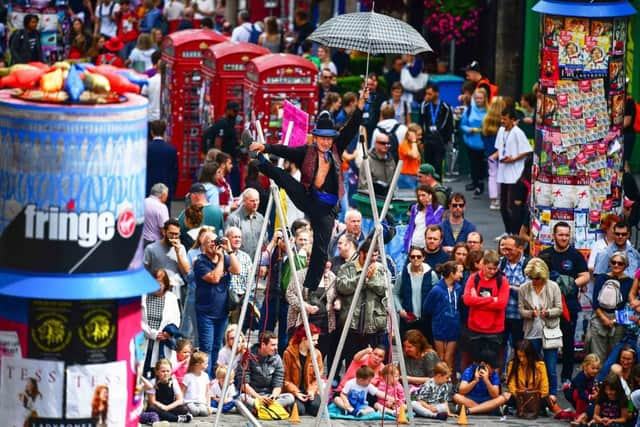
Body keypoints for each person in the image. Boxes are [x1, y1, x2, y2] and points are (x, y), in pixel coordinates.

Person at [249, 95, 364, 291]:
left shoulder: (337, 149)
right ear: (316, 137)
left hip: (326, 209)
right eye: (323, 138)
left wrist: (360, 106)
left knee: (321, 249)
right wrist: (265, 147)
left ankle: (310, 287)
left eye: (329, 138)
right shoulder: (307, 151)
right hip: (308, 198)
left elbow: (351, 128)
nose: (326, 142)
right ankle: (261, 162)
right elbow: (285, 151)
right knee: (284, 179)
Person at [540, 221, 590, 385]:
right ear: (553, 236)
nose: (564, 238)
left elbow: (585, 276)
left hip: (569, 305)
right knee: (546, 342)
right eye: (560, 234)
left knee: (568, 343)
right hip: (546, 306)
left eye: (567, 235)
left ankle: (566, 377)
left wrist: (569, 283)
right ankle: (546, 377)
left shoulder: (575, 255)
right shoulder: (545, 254)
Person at [193, 231, 240, 376]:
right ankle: (204, 379)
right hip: (205, 313)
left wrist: (229, 250)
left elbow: (237, 270)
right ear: (203, 245)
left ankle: (213, 377)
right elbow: (214, 278)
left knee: (216, 346)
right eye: (210, 242)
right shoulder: (200, 262)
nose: (214, 244)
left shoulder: (224, 258)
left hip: (222, 312)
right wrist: (220, 258)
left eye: (216, 241)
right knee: (206, 348)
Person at [518, 257, 563, 409]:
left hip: (549, 330)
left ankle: (552, 397)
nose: (534, 281)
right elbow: (520, 309)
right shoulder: (524, 288)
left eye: (537, 278)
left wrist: (547, 312)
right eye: (531, 278)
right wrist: (530, 313)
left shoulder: (553, 287)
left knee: (550, 367)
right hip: (531, 331)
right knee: (531, 366)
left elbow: (559, 309)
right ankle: (532, 395)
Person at [336, 238, 387, 363]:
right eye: (370, 257)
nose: (373, 260)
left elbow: (385, 290)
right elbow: (342, 287)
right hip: (352, 322)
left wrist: (371, 279)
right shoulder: (347, 268)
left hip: (373, 324)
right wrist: (362, 278)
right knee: (352, 359)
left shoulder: (381, 269)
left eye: (375, 257)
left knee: (371, 361)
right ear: (362, 254)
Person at [286, 263, 338, 372]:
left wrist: (337, 302)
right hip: (304, 322)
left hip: (324, 324)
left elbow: (336, 295)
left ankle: (315, 378)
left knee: (320, 353)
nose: (326, 270)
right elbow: (290, 294)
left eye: (328, 268)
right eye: (324, 267)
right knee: (301, 352)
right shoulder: (301, 275)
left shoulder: (331, 277)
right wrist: (305, 306)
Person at [489, 107, 533, 235]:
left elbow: (527, 150)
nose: (502, 121)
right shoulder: (501, 131)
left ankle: (514, 232)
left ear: (512, 120)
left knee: (512, 206)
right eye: (501, 118)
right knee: (503, 205)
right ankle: (507, 231)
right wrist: (493, 157)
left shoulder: (518, 132)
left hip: (515, 175)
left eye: (505, 119)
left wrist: (513, 159)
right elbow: (499, 148)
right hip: (503, 173)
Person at [463, 250, 510, 358]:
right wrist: (491, 299)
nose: (492, 271)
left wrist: (477, 300)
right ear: (483, 265)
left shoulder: (502, 280)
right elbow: (467, 300)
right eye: (489, 268)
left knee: (493, 364)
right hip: (475, 327)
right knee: (476, 361)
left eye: (495, 268)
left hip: (495, 329)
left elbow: (501, 304)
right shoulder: (473, 278)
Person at [589, 252, 634, 361]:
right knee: (598, 355)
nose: (616, 265)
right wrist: (604, 319)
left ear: (625, 265)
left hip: (619, 319)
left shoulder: (629, 282)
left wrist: (614, 320)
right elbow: (595, 302)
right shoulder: (601, 278)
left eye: (620, 263)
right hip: (600, 316)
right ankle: (598, 378)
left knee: (615, 355)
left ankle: (611, 378)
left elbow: (628, 304)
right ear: (610, 263)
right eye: (614, 262)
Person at [423, 261, 463, 379]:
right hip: (440, 326)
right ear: (451, 273)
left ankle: (449, 383)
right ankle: (440, 381)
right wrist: (438, 314)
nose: (461, 274)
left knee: (449, 357)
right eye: (459, 272)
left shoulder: (459, 289)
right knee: (441, 357)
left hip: (454, 326)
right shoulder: (437, 290)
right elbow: (427, 307)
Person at [238, 331, 296, 408]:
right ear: (263, 345)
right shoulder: (247, 357)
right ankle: (268, 408)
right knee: (242, 398)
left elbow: (278, 385)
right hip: (253, 396)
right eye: (273, 345)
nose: (276, 348)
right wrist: (259, 398)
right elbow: (244, 385)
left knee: (290, 397)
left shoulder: (277, 359)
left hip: (269, 396)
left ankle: (263, 408)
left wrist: (273, 397)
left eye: (276, 345)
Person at [142, 269, 182, 378]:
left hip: (163, 342)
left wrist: (168, 333)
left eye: (159, 284)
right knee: (144, 372)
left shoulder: (171, 298)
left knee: (162, 373)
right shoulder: (142, 296)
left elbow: (176, 318)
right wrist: (152, 334)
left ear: (165, 284)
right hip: (145, 340)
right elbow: (138, 320)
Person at [394, 246, 438, 338]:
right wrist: (400, 309)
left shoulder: (431, 275)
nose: (416, 259)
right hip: (408, 319)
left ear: (423, 258)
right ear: (409, 258)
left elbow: (436, 295)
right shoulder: (402, 275)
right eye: (413, 256)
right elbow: (395, 293)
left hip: (426, 320)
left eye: (418, 256)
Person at [453, 348, 510, 415]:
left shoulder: (494, 374)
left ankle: (470, 410)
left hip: (487, 400)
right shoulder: (470, 370)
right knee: (456, 397)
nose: (493, 369)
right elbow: (461, 390)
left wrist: (486, 380)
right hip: (471, 399)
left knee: (502, 398)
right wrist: (475, 381)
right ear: (483, 364)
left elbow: (495, 395)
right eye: (491, 367)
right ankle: (488, 410)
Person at [144, 219, 191, 300]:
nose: (173, 237)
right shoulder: (151, 248)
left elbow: (186, 271)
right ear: (164, 232)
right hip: (158, 291)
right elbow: (144, 270)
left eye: (176, 234)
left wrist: (178, 253)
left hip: (175, 292)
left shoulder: (181, 248)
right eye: (171, 233)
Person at [282, 323, 323, 416]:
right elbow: (286, 379)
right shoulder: (288, 353)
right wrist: (296, 392)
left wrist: (312, 390)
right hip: (294, 390)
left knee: (316, 408)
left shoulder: (317, 354)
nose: (316, 343)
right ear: (304, 339)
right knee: (299, 410)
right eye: (313, 340)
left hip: (309, 389)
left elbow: (318, 377)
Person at [500, 235, 530, 358]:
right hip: (502, 316)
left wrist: (508, 288)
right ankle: (501, 375)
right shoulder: (501, 263)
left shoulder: (527, 265)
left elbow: (528, 292)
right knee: (500, 349)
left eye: (510, 249)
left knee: (520, 350)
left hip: (520, 317)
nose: (506, 253)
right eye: (504, 249)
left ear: (520, 249)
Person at [203, 101, 242, 193]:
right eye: (234, 111)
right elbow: (218, 143)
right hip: (226, 159)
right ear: (228, 110)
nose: (236, 114)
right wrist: (222, 160)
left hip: (231, 159)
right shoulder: (222, 124)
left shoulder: (229, 123)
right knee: (230, 185)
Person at [506, 340, 551, 414]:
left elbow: (544, 388)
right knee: (506, 396)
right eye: (519, 356)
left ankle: (536, 408)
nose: (521, 359)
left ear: (530, 355)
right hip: (519, 397)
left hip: (535, 397)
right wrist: (521, 395)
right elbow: (511, 386)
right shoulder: (512, 364)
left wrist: (531, 395)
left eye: (524, 356)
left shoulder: (540, 365)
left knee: (551, 398)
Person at [419, 84, 454, 178]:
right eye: (426, 94)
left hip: (440, 142)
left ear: (436, 93)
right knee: (427, 166)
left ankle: (438, 187)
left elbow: (449, 126)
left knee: (438, 167)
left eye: (430, 94)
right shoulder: (424, 106)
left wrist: (445, 141)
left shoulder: (446, 107)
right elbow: (421, 123)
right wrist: (422, 140)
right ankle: (427, 187)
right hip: (428, 141)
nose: (427, 96)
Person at [144, 359, 192, 423]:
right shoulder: (153, 382)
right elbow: (152, 401)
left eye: (168, 371)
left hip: (169, 407)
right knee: (151, 408)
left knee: (184, 408)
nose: (166, 373)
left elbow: (180, 400)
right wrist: (163, 407)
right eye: (163, 371)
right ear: (157, 372)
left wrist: (167, 407)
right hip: (159, 407)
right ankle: (177, 418)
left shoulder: (173, 381)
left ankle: (165, 417)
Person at [461, 88, 489, 197]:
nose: (478, 100)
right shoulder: (468, 110)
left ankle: (480, 184)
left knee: (481, 164)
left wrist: (486, 130)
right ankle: (475, 182)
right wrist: (470, 129)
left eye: (480, 98)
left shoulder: (489, 110)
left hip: (484, 143)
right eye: (476, 98)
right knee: (473, 163)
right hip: (471, 141)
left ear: (485, 98)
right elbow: (463, 125)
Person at [482, 96, 507, 210]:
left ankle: (494, 200)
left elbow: (483, 136)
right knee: (501, 175)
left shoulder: (486, 121)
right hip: (501, 153)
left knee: (492, 175)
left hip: (489, 152)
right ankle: (501, 198)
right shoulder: (504, 124)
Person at [146, 120, 178, 210]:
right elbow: (175, 173)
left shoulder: (146, 149)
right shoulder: (171, 150)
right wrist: (172, 191)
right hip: (165, 189)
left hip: (149, 189)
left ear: (151, 132)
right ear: (164, 132)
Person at [404, 186, 445, 252]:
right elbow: (410, 227)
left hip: (427, 246)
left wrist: (429, 206)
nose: (421, 198)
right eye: (419, 196)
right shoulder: (415, 208)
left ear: (430, 195)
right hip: (414, 244)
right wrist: (406, 243)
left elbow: (431, 225)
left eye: (423, 195)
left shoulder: (439, 209)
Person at [225, 188, 264, 257]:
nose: (255, 203)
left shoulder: (260, 218)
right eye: (252, 201)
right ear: (244, 201)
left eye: (257, 200)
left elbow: (264, 241)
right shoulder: (234, 219)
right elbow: (228, 243)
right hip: (239, 261)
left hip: (258, 261)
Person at [564, 353, 600, 422]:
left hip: (583, 393)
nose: (595, 371)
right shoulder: (580, 378)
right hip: (572, 394)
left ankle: (585, 413)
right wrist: (591, 396)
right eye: (593, 368)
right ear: (585, 366)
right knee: (582, 394)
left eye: (597, 368)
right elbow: (581, 393)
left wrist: (595, 390)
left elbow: (591, 386)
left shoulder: (591, 375)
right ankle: (576, 414)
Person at [182, 351, 212, 417]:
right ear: (197, 364)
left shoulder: (205, 376)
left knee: (204, 412)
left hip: (201, 402)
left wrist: (208, 405)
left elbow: (207, 391)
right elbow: (183, 391)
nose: (207, 365)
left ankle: (212, 409)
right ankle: (185, 409)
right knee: (195, 411)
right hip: (189, 401)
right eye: (205, 363)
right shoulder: (188, 376)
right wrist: (182, 403)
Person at [397, 123, 422, 189]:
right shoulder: (404, 145)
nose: (420, 137)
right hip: (406, 177)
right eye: (418, 135)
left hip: (414, 176)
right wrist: (414, 141)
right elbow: (414, 155)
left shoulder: (414, 145)